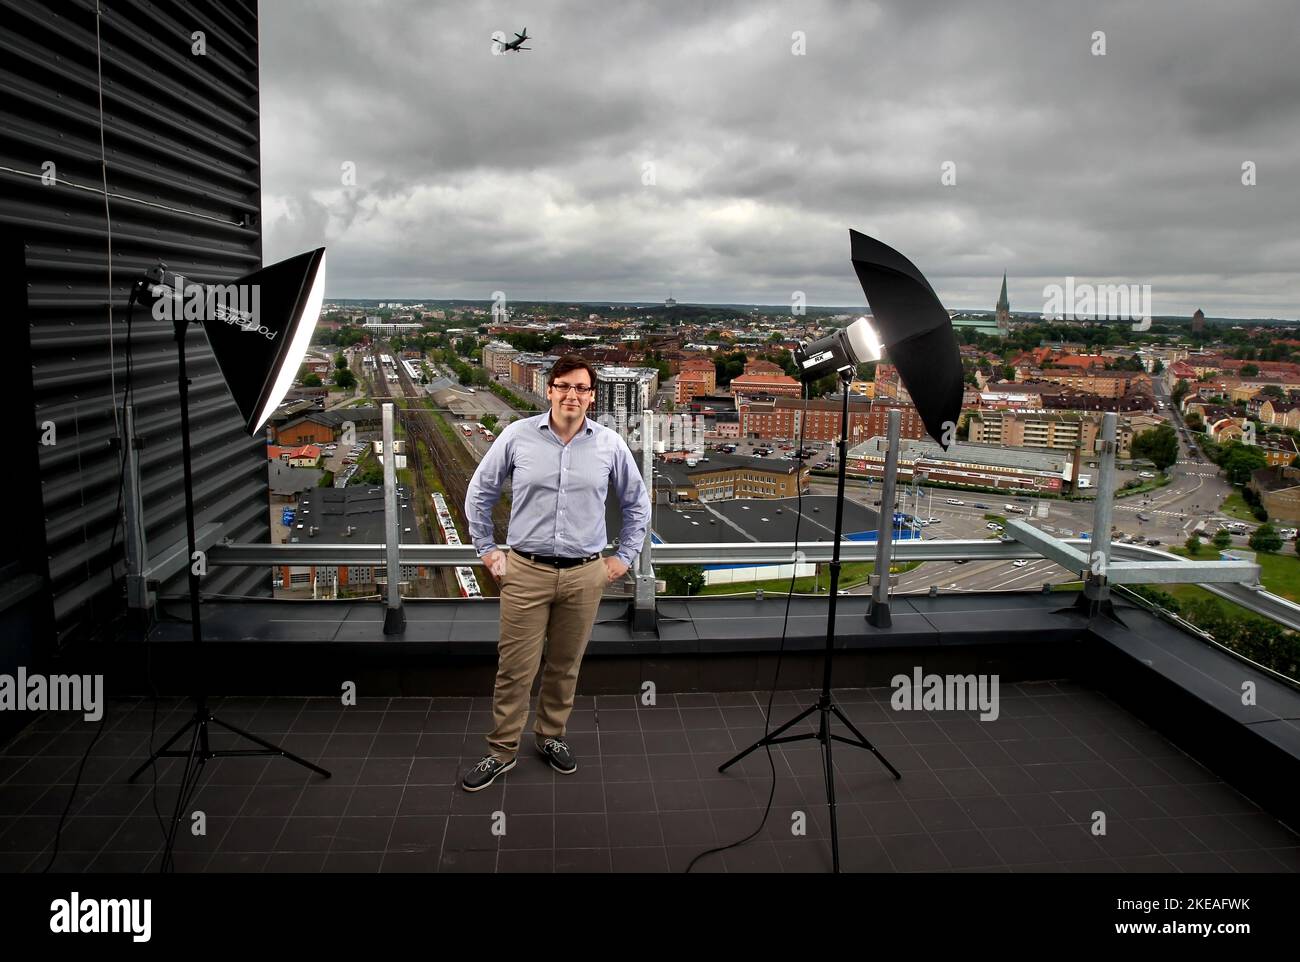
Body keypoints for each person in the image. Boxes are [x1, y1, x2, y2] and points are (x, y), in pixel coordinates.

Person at [461, 355, 651, 791]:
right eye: (564, 386)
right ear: (549, 390)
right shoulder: (517, 436)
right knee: (515, 668)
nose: (572, 395)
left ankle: (550, 736)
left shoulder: (609, 444)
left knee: (565, 666)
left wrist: (623, 557)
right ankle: (501, 751)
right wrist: (487, 550)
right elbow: (480, 492)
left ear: (591, 394)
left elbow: (636, 504)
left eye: (581, 388)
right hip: (526, 571)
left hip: (586, 574)